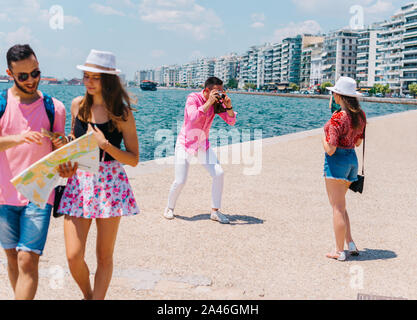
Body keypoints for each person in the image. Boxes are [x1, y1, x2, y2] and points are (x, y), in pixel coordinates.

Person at [56, 49, 140, 300]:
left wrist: (105, 145)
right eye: (86, 76)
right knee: (73, 255)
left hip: (111, 184)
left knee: (104, 256)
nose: (89, 82)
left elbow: (134, 159)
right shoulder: (77, 106)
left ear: (108, 80)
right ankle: (88, 295)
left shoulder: (122, 113)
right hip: (79, 181)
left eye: (95, 77)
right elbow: (75, 144)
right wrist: (65, 152)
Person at [0, 44, 69, 299]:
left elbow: (59, 155)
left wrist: (67, 152)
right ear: (10, 73)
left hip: (39, 195)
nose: (32, 80)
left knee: (27, 260)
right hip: (3, 194)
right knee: (12, 257)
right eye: (24, 76)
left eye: (36, 73)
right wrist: (18, 138)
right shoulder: (1, 103)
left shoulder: (55, 108)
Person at [164, 77, 237, 224]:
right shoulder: (193, 98)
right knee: (180, 180)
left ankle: (215, 212)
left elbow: (231, 121)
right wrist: (208, 102)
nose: (220, 95)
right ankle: (169, 207)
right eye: (217, 92)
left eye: (222, 91)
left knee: (219, 173)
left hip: (203, 144)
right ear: (206, 91)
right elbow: (192, 118)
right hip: (185, 143)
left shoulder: (217, 103)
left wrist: (228, 107)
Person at [322, 77, 367, 261]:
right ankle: (350, 243)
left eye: (334, 93)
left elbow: (330, 149)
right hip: (351, 162)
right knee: (341, 205)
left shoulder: (337, 118)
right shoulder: (360, 116)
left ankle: (339, 251)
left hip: (336, 163)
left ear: (339, 96)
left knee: (337, 207)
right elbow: (357, 142)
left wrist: (322, 139)